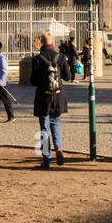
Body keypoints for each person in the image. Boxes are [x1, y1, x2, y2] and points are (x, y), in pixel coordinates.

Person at [31, 30, 73, 169]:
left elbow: (33, 80)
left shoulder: (38, 59)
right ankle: (59, 148)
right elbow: (68, 76)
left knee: (44, 128)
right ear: (53, 42)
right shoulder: (60, 57)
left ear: (41, 42)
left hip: (44, 97)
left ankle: (47, 159)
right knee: (55, 124)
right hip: (58, 96)